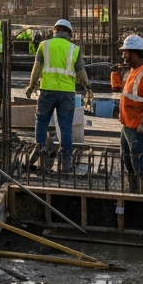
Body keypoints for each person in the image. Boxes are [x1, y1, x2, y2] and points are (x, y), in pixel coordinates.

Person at [24, 19, 91, 171]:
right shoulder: (74, 48)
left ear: (54, 31)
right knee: (65, 127)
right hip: (67, 93)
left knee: (41, 122)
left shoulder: (44, 45)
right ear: (69, 34)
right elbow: (81, 72)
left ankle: (40, 148)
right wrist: (88, 87)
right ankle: (66, 161)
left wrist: (31, 85)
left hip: (47, 90)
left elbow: (36, 68)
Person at [117, 34, 143, 194]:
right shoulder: (132, 72)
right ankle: (134, 192)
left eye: (126, 53)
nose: (124, 56)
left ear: (135, 53)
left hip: (139, 128)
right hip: (128, 125)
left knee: (142, 161)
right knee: (128, 159)